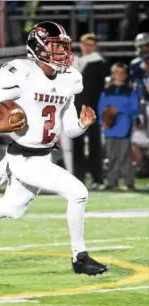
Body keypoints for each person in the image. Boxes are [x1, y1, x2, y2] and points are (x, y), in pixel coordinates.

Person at [0, 22, 108, 277]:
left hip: (42, 156)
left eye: (64, 47)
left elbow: (70, 130)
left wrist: (83, 124)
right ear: (37, 47)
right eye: (55, 47)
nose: (62, 53)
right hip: (25, 157)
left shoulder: (69, 78)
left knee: (12, 208)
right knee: (78, 192)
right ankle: (80, 257)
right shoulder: (24, 74)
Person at [72, 33, 109, 190]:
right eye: (85, 44)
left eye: (91, 44)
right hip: (75, 109)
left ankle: (97, 178)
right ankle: (78, 178)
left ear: (96, 46)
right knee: (77, 145)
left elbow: (104, 89)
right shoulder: (75, 62)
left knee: (95, 145)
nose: (87, 47)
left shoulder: (100, 63)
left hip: (94, 108)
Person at [98, 63, 140, 190]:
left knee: (125, 156)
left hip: (124, 128)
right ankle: (112, 181)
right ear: (113, 74)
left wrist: (119, 109)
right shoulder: (107, 91)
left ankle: (129, 182)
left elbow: (135, 108)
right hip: (110, 129)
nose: (120, 75)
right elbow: (101, 108)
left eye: (122, 72)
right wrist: (102, 122)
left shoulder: (130, 91)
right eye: (117, 72)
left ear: (126, 75)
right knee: (111, 156)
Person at [129, 33, 149, 177]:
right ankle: (142, 166)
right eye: (142, 46)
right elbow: (136, 86)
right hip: (141, 103)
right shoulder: (135, 64)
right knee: (136, 135)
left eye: (146, 46)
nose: (144, 49)